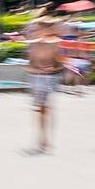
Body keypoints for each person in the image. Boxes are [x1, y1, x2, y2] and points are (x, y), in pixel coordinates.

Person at [25, 18, 63, 153]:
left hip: (49, 79)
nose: (41, 31)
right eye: (39, 29)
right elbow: (29, 66)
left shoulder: (56, 44)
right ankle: (42, 138)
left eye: (45, 29)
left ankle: (46, 139)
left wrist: (53, 68)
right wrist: (39, 70)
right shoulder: (33, 45)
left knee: (46, 110)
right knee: (40, 110)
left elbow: (61, 64)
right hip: (37, 79)